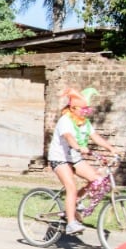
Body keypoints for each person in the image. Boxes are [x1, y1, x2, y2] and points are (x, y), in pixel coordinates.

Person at [48, 87, 119, 235]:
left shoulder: (84, 122)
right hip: (59, 158)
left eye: (87, 110)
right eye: (83, 109)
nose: (85, 112)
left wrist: (111, 148)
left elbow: (95, 137)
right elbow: (69, 137)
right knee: (71, 187)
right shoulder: (65, 120)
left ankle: (75, 202)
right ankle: (71, 224)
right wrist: (79, 146)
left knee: (97, 180)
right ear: (73, 108)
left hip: (74, 158)